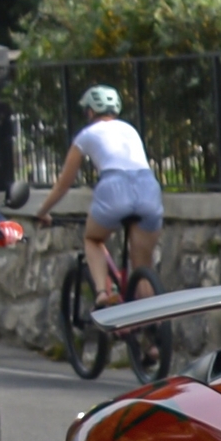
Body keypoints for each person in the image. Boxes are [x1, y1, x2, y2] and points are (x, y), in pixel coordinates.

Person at [34, 86, 162, 307]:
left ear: (91, 112)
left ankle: (103, 293)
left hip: (114, 187)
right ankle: (154, 335)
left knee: (93, 239)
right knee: (142, 268)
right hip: (148, 187)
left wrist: (42, 211)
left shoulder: (86, 135)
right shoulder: (129, 129)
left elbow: (64, 184)